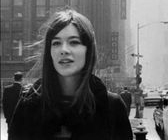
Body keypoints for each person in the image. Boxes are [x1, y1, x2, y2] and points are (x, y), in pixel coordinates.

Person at [8, 8, 133, 140]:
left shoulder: (112, 107)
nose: (64, 50)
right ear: (49, 52)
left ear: (88, 50)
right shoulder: (28, 104)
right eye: (56, 43)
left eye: (74, 42)